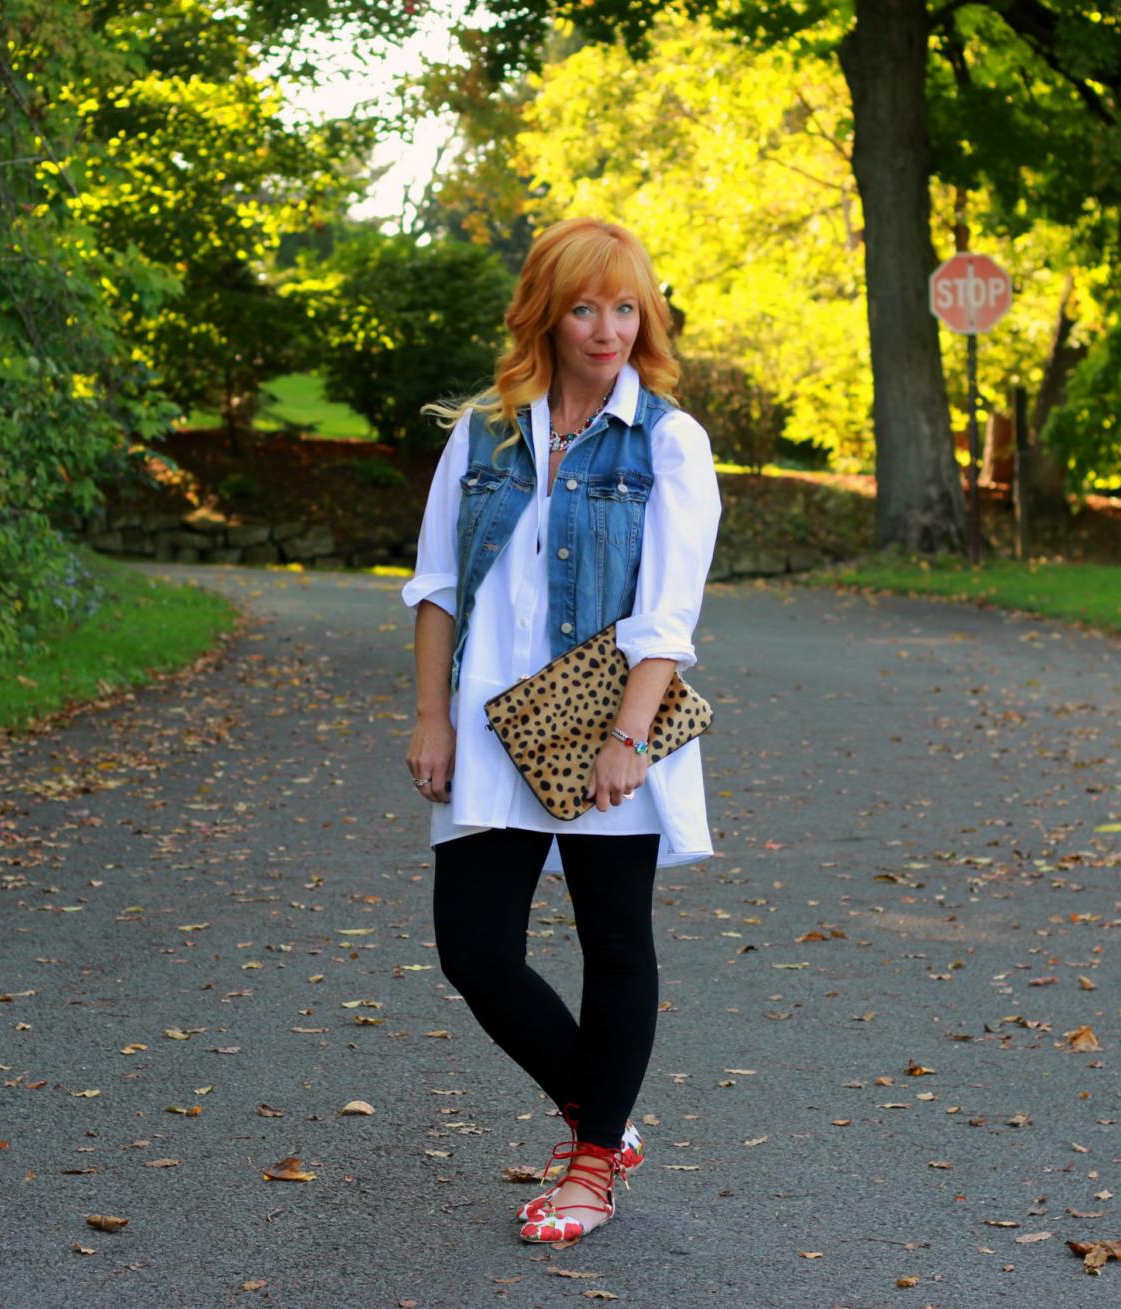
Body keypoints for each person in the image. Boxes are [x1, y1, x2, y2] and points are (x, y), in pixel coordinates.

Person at [400, 216, 721, 1243]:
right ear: (546, 310)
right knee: (475, 948)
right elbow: (439, 587)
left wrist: (627, 736)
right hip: (491, 718)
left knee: (615, 941)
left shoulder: (669, 440)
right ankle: (604, 1115)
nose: (607, 328)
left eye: (627, 307)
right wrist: (430, 718)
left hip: (606, 717)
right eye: (585, 306)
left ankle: (591, 1168)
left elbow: (670, 612)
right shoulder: (485, 433)